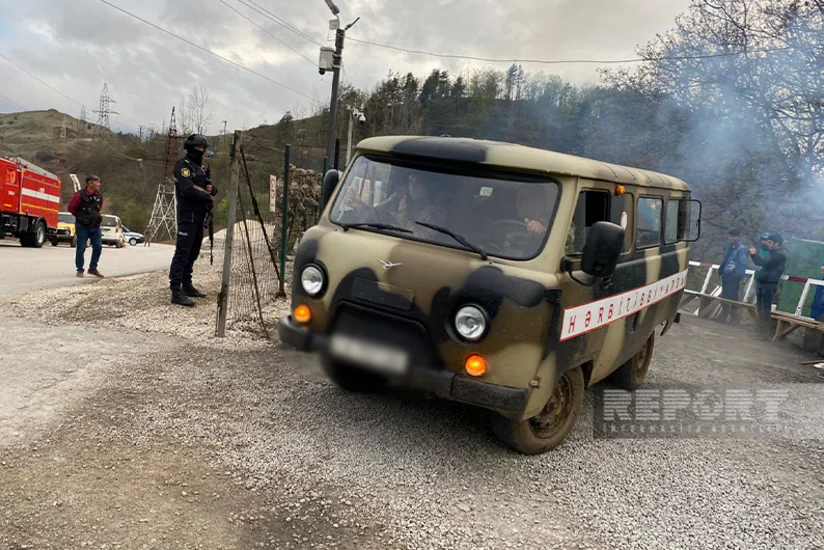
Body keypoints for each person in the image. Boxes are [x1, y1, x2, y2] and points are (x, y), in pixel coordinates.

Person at [168, 134, 218, 307]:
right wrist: (206, 196)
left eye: (203, 148)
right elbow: (187, 189)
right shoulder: (183, 166)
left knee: (194, 251)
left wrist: (212, 189)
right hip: (187, 214)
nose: (201, 150)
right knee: (182, 252)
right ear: (190, 147)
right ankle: (176, 290)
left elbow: (206, 187)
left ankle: (187, 284)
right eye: (198, 147)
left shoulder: (200, 168)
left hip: (199, 215)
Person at [749, 233, 788, 338]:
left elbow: (763, 262)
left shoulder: (779, 255)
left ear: (777, 243)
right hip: (762, 282)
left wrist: (754, 255)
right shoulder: (773, 253)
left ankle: (764, 333)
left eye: (770, 242)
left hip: (769, 284)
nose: (768, 244)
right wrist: (753, 255)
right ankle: (759, 331)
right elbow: (760, 262)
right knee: (759, 308)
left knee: (765, 309)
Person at [67, 174, 105, 278]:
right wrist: (81, 217)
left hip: (95, 226)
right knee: (81, 248)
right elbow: (71, 208)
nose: (99, 184)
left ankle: (93, 268)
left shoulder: (99, 196)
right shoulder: (79, 195)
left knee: (98, 247)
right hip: (82, 226)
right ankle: (80, 270)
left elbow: (99, 208)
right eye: (97, 182)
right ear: (90, 183)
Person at [719, 229, 750, 324]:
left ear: (739, 237)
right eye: (731, 236)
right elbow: (725, 259)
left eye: (734, 236)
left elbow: (743, 264)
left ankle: (733, 318)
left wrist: (736, 274)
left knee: (733, 296)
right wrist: (722, 270)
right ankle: (723, 316)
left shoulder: (741, 249)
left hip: (734, 275)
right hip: (726, 273)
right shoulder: (729, 247)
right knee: (724, 295)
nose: (732, 238)